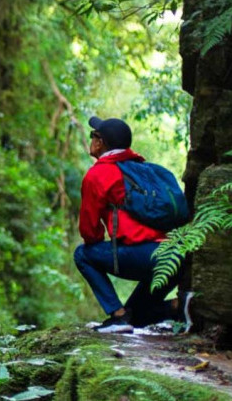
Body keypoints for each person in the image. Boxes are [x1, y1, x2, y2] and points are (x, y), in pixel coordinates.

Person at [75, 116, 192, 333]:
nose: (91, 139)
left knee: (82, 254)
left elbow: (90, 233)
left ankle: (117, 316)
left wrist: (116, 244)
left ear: (100, 143)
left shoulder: (99, 174)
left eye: (94, 135)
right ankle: (182, 306)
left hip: (147, 257)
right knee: (135, 318)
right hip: (175, 256)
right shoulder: (144, 169)